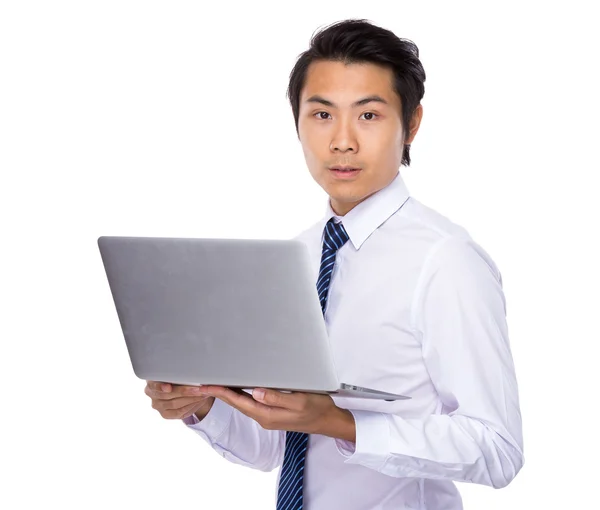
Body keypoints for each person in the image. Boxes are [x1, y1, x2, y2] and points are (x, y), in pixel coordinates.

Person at [143, 18, 524, 510]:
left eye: (368, 116)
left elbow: (497, 450)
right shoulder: (294, 258)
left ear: (411, 124)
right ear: (297, 123)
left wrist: (338, 422)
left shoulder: (446, 260)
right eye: (321, 115)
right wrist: (203, 407)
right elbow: (274, 447)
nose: (342, 141)